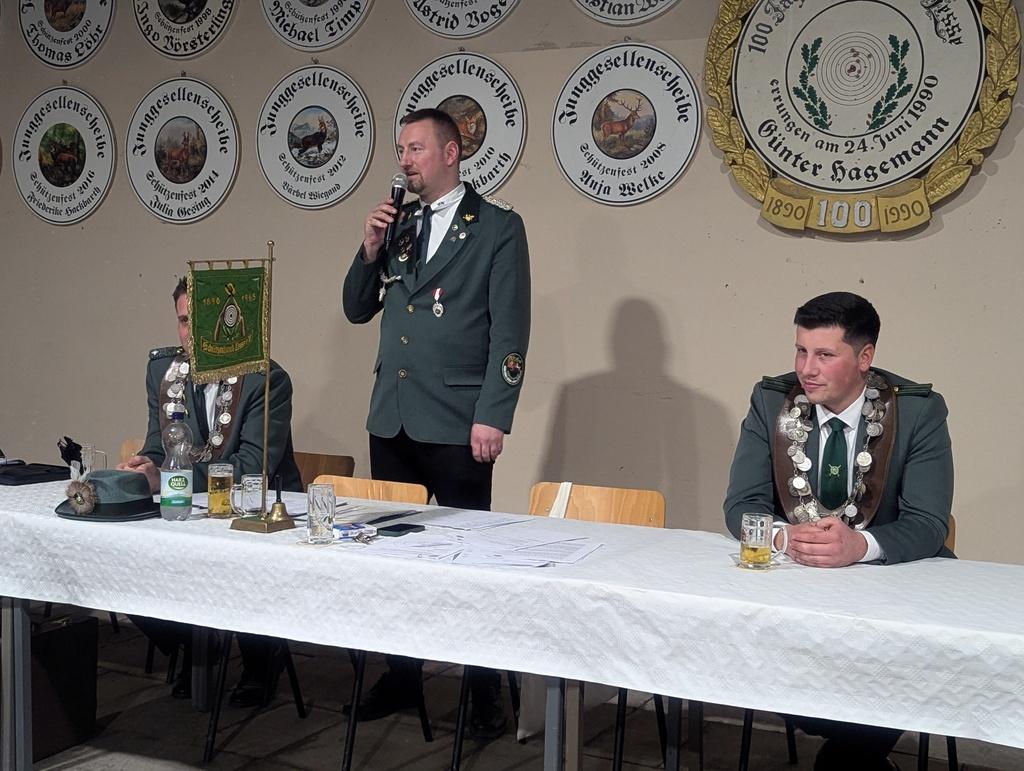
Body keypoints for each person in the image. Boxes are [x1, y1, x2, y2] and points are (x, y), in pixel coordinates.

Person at [342, 108, 531, 739]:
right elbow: (355, 309)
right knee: (393, 560)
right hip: (393, 416)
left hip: (457, 419)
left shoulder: (497, 227)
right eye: (401, 149)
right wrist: (369, 250)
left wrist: (493, 414)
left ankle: (483, 691)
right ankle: (401, 675)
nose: (404, 160)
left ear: (451, 153)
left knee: (468, 563)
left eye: (416, 148)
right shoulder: (397, 225)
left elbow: (510, 330)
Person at [723, 291, 954, 770]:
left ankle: (849, 752)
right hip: (798, 594)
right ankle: (851, 748)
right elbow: (742, 505)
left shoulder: (918, 411)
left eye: (825, 355)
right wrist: (786, 537)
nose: (807, 369)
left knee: (899, 675)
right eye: (801, 350)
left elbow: (929, 523)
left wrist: (860, 546)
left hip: (889, 597)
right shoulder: (771, 401)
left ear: (864, 358)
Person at [118, 277, 302, 707]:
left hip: (257, 507)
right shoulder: (162, 371)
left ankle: (261, 660)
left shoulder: (266, 378)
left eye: (200, 321)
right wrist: (145, 465)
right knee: (125, 559)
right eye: (184, 321)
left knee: (244, 562)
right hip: (192, 501)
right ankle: (194, 644)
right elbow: (159, 444)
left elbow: (251, 467)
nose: (190, 333)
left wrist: (168, 477)